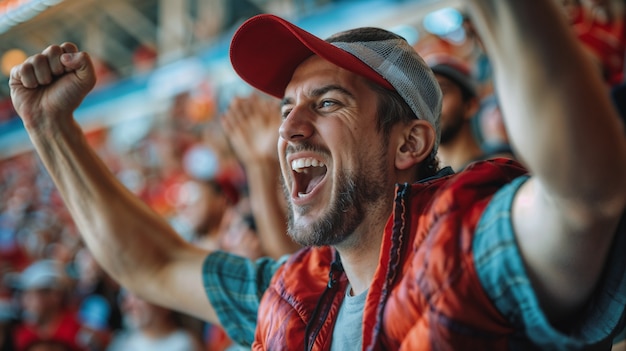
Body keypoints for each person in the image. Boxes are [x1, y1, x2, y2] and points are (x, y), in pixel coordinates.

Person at [8, 1, 626, 350]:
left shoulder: (466, 245)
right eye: (286, 108)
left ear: (409, 141)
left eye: (327, 104)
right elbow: (153, 264)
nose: (290, 128)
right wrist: (51, 130)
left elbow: (585, 196)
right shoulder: (290, 292)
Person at [423, 53, 513, 171]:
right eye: (424, 96)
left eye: (442, 92)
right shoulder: (421, 183)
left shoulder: (502, 168)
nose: (430, 104)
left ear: (470, 106)